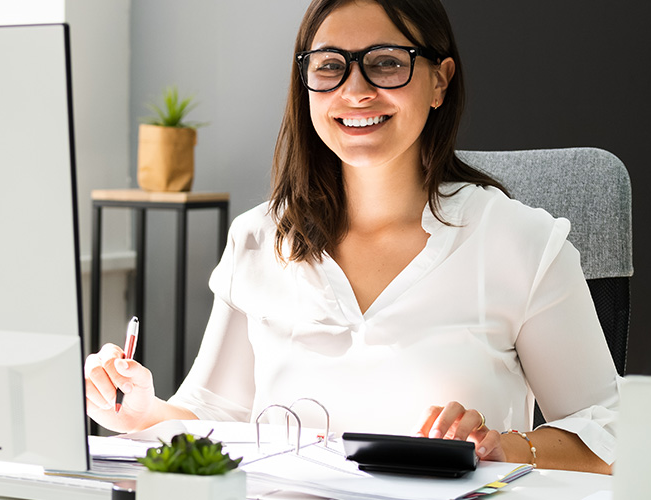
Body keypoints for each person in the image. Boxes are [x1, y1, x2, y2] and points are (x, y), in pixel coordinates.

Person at [82, 0, 619, 474]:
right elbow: (213, 413)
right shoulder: (258, 238)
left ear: (440, 80)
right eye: (331, 67)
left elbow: (611, 435)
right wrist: (142, 411)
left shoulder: (519, 241)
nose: (355, 91)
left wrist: (503, 446)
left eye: (386, 63)